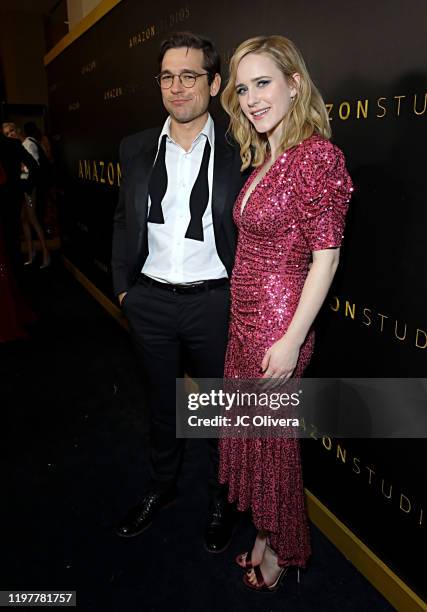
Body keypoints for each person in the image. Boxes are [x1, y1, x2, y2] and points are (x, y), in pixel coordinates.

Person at [218, 35, 353, 591]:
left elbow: (327, 258)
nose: (251, 98)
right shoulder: (268, 156)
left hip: (278, 327)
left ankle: (282, 550)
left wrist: (293, 338)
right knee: (256, 436)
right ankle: (263, 534)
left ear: (295, 83)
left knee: (273, 446)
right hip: (245, 322)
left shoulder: (316, 156)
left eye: (263, 82)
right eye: (243, 88)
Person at [111, 32, 247, 551]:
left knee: (217, 411)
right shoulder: (135, 146)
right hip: (149, 302)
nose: (177, 87)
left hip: (215, 302)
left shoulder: (242, 145)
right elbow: (124, 218)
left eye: (190, 75)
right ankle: (161, 488)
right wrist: (124, 289)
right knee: (162, 407)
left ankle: (220, 497)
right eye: (167, 76)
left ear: (214, 84)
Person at [2, 122, 50, 268]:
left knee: (32, 220)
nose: (10, 135)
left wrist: (22, 179)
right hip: (21, 189)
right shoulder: (15, 147)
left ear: (17, 130)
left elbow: (33, 169)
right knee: (24, 221)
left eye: (11, 131)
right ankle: (31, 254)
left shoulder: (28, 144)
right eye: (6, 134)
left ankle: (46, 255)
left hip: (30, 189)